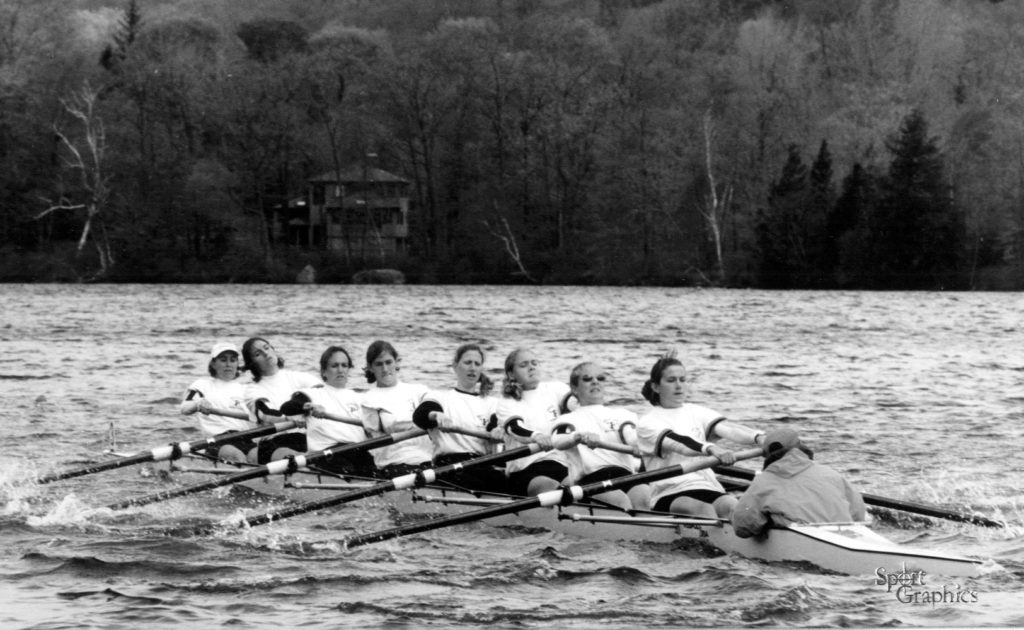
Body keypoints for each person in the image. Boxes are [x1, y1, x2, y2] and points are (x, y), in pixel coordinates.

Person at [636, 355, 765, 519]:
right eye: (671, 380)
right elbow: (680, 442)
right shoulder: (648, 422)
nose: (679, 385)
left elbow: (729, 429)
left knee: (737, 509)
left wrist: (760, 438)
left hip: (707, 486)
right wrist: (711, 448)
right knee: (703, 510)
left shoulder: (696, 411)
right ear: (655, 387)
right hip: (670, 492)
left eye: (683, 380)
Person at [731, 427, 867, 538]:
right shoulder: (830, 473)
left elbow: (742, 528)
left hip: (802, 542)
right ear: (801, 447)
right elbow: (859, 514)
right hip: (846, 537)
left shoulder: (762, 482)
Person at [551, 361, 649, 511]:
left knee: (644, 497)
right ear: (574, 388)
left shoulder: (624, 415)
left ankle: (648, 531)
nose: (595, 382)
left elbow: (634, 440)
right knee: (620, 502)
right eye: (587, 379)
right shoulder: (566, 420)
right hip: (590, 480)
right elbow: (558, 441)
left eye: (600, 378)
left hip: (625, 475)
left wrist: (642, 444)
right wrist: (577, 437)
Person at [412, 343, 506, 493]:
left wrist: (498, 429)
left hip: (481, 463)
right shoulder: (440, 397)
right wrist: (436, 415)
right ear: (455, 366)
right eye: (467, 362)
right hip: (448, 465)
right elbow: (421, 415)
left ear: (481, 369)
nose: (472, 368)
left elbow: (495, 423)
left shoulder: (491, 403)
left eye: (477, 364)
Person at [278, 345, 374, 476]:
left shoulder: (361, 398)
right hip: (325, 453)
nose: (340, 370)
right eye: (334, 366)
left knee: (372, 469)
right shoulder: (312, 394)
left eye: (344, 365)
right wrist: (308, 406)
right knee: (348, 469)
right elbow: (287, 407)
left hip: (356, 451)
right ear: (324, 371)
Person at [495, 348, 571, 496]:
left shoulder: (556, 389)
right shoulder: (507, 401)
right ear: (511, 374)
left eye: (534, 363)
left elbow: (577, 406)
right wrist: (537, 436)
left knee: (581, 485)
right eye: (523, 365)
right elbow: (515, 428)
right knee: (553, 488)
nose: (531, 367)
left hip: (562, 464)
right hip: (525, 470)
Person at [241, 337, 321, 464]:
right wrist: (288, 418)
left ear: (273, 349)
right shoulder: (252, 390)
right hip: (274, 442)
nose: (266, 353)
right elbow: (265, 412)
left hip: (307, 438)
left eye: (267, 348)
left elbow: (323, 392)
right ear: (252, 363)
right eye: (258, 354)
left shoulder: (298, 377)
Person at [359, 340, 433, 478]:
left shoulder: (419, 390)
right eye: (379, 364)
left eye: (388, 362)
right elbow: (375, 438)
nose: (385, 369)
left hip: (428, 461)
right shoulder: (368, 400)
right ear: (370, 367)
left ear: (397, 362)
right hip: (394, 464)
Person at [179, 341, 252, 463]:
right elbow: (185, 408)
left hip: (245, 438)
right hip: (216, 441)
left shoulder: (246, 389)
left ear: (237, 364)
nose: (228, 364)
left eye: (232, 360)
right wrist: (198, 405)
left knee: (256, 456)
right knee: (237, 457)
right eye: (223, 360)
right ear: (213, 363)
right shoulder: (201, 385)